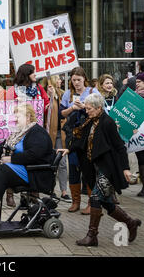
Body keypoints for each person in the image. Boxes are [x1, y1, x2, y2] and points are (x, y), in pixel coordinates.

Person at [58, 93, 142, 247]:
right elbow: (81, 139)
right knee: (107, 203)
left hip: (107, 168)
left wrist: (125, 168)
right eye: (87, 108)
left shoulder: (107, 122)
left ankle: (92, 236)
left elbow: (119, 146)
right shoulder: (91, 120)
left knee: (95, 198)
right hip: (94, 168)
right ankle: (131, 223)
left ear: (98, 108)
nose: (87, 111)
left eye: (89, 109)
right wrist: (69, 150)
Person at [0, 103, 55, 220]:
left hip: (34, 172)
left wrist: (11, 159)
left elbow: (34, 155)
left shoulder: (37, 132)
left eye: (18, 116)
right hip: (23, 169)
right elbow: (3, 147)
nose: (15, 119)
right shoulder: (19, 133)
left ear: (27, 117)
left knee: (3, 170)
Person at [0, 63, 50, 207]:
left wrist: (50, 98)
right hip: (16, 129)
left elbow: (46, 104)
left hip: (32, 130)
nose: (36, 75)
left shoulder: (38, 89)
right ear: (26, 74)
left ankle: (31, 197)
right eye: (33, 72)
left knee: (31, 159)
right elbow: (4, 108)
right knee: (13, 156)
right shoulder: (13, 90)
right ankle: (9, 194)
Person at [60, 66, 99, 214]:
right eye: (74, 80)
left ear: (84, 79)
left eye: (79, 80)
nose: (76, 83)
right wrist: (72, 109)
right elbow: (61, 114)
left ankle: (91, 202)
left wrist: (84, 107)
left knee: (88, 168)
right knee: (74, 166)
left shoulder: (92, 92)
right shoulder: (68, 94)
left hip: (88, 134)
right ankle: (76, 201)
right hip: (73, 134)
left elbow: (99, 111)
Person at [44, 75, 71, 202]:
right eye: (58, 79)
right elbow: (46, 112)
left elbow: (64, 110)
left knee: (62, 162)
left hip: (61, 133)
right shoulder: (45, 93)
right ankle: (51, 189)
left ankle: (64, 191)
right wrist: (50, 97)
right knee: (51, 161)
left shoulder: (63, 94)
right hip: (49, 132)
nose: (61, 81)